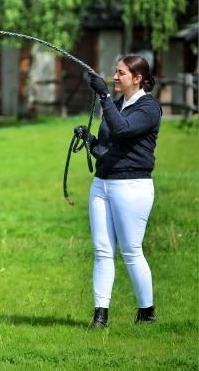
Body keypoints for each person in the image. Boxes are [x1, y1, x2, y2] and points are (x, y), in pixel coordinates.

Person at [78, 54, 162, 329]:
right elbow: (108, 147)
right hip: (101, 184)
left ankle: (146, 312)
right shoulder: (116, 104)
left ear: (137, 78)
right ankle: (100, 316)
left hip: (132, 187)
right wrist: (90, 141)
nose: (114, 77)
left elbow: (123, 129)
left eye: (121, 73)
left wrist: (102, 96)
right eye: (115, 72)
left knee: (130, 251)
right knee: (103, 251)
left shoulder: (149, 108)